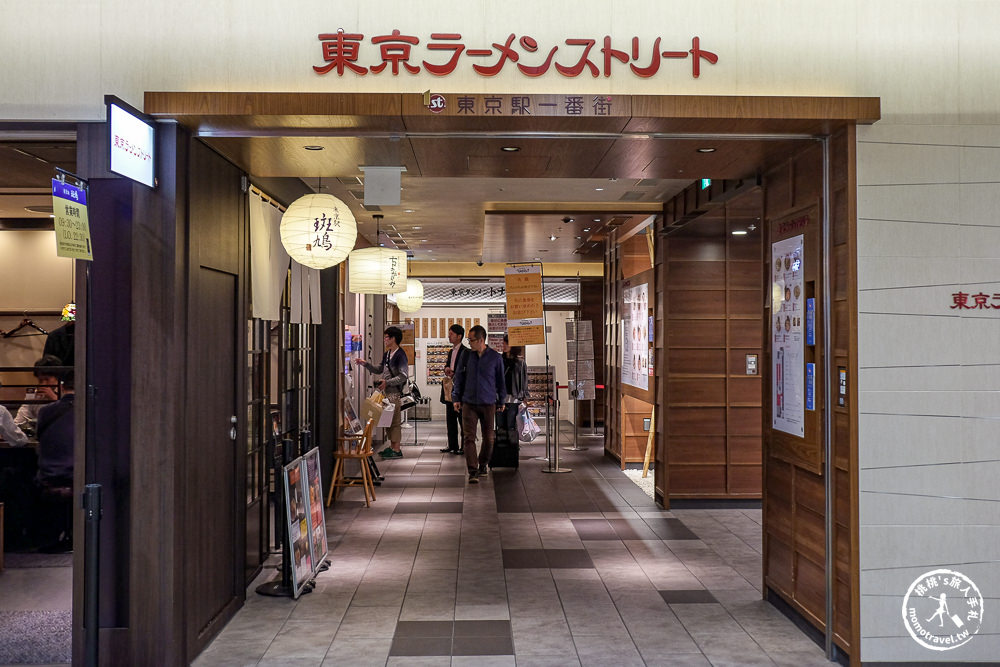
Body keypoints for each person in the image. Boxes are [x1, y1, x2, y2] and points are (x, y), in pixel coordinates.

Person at [452, 325, 506, 484]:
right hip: (468, 403)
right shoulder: (466, 356)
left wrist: (501, 400)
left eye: (471, 340)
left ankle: (483, 464)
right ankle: (473, 470)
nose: (469, 343)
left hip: (488, 403)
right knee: (469, 437)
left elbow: (501, 382)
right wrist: (456, 398)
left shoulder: (495, 358)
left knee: (489, 438)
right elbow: (459, 379)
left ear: (481, 340)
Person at [35, 366, 75, 551]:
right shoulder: (91, 410)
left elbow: (38, 437)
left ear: (61, 386)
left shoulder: (44, 412)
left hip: (49, 476)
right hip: (76, 475)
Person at [355, 326, 409, 459]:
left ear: (393, 338)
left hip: (394, 392)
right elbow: (380, 369)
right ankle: (392, 447)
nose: (385, 340)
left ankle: (396, 449)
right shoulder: (387, 354)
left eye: (386, 337)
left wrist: (388, 382)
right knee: (388, 421)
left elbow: (403, 375)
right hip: (386, 392)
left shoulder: (400, 355)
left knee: (395, 421)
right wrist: (366, 364)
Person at [439, 323, 469, 455]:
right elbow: (448, 365)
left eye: (451, 334)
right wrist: (446, 369)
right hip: (450, 388)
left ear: (459, 336)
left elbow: (466, 371)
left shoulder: (466, 352)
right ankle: (452, 445)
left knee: (462, 420)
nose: (449, 336)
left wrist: (455, 373)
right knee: (450, 419)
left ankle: (464, 447)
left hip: (461, 389)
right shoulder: (451, 351)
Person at [14, 355, 63, 432]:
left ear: (58, 378)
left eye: (47, 379)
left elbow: (73, 416)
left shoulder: (66, 392)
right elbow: (21, 419)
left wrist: (54, 399)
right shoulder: (34, 395)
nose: (43, 384)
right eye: (40, 380)